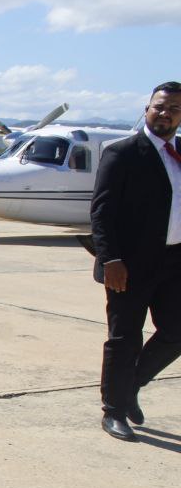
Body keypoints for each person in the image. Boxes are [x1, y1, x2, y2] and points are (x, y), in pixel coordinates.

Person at [91, 81, 181, 441]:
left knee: (176, 332)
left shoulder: (180, 153)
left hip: (175, 260)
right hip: (128, 263)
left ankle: (129, 388)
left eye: (174, 108)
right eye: (160, 106)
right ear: (147, 109)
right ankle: (114, 411)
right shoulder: (123, 152)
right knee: (124, 337)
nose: (165, 113)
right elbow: (101, 211)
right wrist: (110, 259)